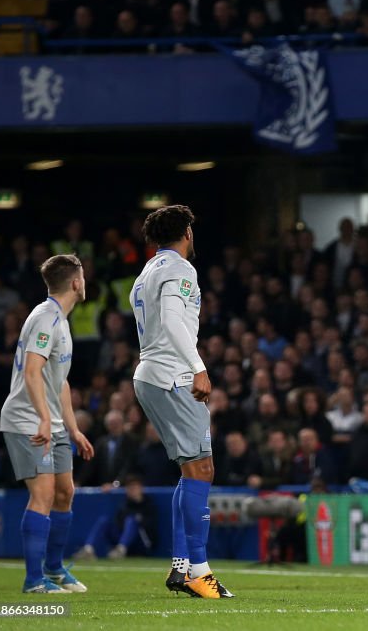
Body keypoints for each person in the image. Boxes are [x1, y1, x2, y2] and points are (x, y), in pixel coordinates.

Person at [131, 205, 234, 598]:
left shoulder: (145, 274)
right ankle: (201, 573)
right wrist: (198, 366)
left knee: (191, 471)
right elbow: (174, 319)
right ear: (187, 233)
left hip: (149, 375)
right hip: (173, 376)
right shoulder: (180, 270)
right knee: (203, 469)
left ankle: (181, 566)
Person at [0, 254, 95, 593]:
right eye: (83, 277)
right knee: (42, 495)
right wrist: (42, 417)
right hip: (28, 421)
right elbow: (32, 371)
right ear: (76, 282)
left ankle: (54, 570)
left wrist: (73, 429)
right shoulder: (44, 318)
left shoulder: (61, 320)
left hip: (51, 424)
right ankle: (33, 580)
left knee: (65, 493)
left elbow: (60, 381)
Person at [75, 474, 156, 559]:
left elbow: (150, 526)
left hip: (141, 543)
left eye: (135, 487)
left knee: (131, 520)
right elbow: (119, 524)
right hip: (123, 540)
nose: (133, 490)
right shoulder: (124, 504)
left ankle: (120, 550)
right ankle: (88, 549)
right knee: (104, 520)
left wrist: (137, 518)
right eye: (130, 487)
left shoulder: (149, 504)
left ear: (141, 488)